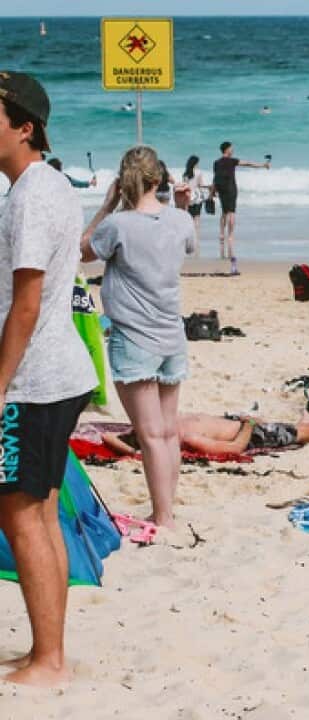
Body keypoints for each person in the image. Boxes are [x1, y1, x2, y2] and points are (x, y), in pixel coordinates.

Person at [0, 72, 100, 686]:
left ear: (23, 126)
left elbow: (28, 302)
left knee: (19, 514)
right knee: (36, 511)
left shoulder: (33, 194)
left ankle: (49, 659)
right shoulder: (48, 185)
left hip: (34, 379)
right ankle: (48, 648)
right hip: (59, 372)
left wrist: (0, 382)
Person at [80, 145, 196, 531]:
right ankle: (167, 511)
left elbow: (82, 252)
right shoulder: (180, 221)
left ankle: (162, 515)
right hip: (171, 336)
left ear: (122, 180)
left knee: (150, 435)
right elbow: (188, 244)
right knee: (166, 431)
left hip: (134, 338)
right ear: (159, 179)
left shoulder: (117, 225)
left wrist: (105, 206)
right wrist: (180, 205)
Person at [102, 411, 309, 457]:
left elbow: (108, 438)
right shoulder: (187, 439)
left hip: (247, 424)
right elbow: (234, 449)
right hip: (254, 435)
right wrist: (249, 423)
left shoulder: (168, 421)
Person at [211, 140, 269, 275]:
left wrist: (212, 192)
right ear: (227, 150)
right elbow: (248, 163)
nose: (233, 150)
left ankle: (221, 237)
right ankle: (230, 241)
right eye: (231, 148)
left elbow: (215, 178)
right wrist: (262, 165)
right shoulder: (232, 161)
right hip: (231, 190)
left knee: (224, 212)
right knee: (231, 214)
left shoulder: (216, 162)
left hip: (221, 190)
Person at [180, 155, 208, 251]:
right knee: (197, 217)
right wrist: (209, 187)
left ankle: (188, 236)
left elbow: (184, 186)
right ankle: (196, 237)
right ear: (195, 163)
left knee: (188, 217)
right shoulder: (199, 172)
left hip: (188, 196)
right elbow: (201, 185)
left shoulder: (185, 174)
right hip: (197, 196)